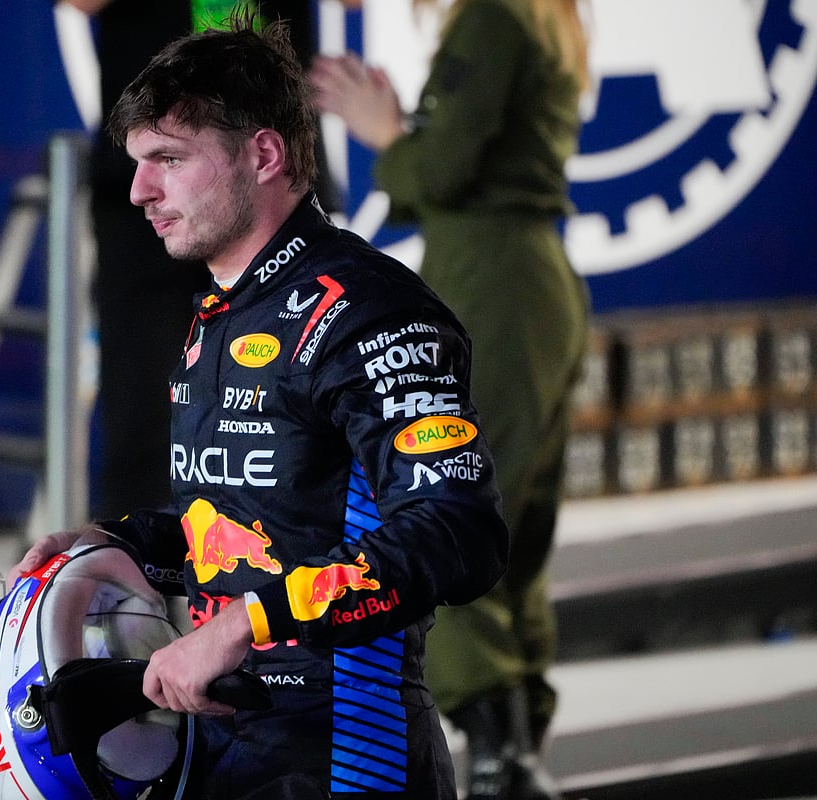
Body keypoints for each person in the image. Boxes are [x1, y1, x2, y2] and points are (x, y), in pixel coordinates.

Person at [15, 9, 508, 798]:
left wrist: (249, 624)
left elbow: (459, 531)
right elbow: (260, 526)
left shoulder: (369, 311)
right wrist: (113, 541)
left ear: (265, 154)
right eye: (139, 162)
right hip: (232, 753)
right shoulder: (221, 314)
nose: (141, 190)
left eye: (170, 159)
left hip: (351, 759)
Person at [309, 2, 592, 798]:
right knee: (516, 533)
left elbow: (441, 170)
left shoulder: (495, 17)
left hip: (493, 277)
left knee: (453, 517)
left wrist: (389, 134)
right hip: (535, 276)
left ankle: (502, 758)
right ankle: (518, 750)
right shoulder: (543, 18)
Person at [67, 0, 342, 519]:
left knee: (290, 383)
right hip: (155, 205)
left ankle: (281, 556)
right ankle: (138, 570)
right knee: (146, 391)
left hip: (269, 181)